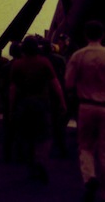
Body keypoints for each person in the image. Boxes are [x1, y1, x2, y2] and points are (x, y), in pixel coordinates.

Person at [65, 21, 105, 202]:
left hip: (85, 106)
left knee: (85, 147)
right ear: (103, 35)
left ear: (86, 35)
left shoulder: (78, 56)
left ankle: (89, 178)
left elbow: (68, 83)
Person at [9, 36, 66, 184]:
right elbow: (56, 84)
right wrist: (62, 102)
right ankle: (41, 160)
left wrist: (10, 107)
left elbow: (13, 88)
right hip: (42, 104)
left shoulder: (17, 64)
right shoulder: (44, 62)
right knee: (45, 136)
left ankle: (31, 166)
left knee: (27, 137)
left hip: (24, 104)